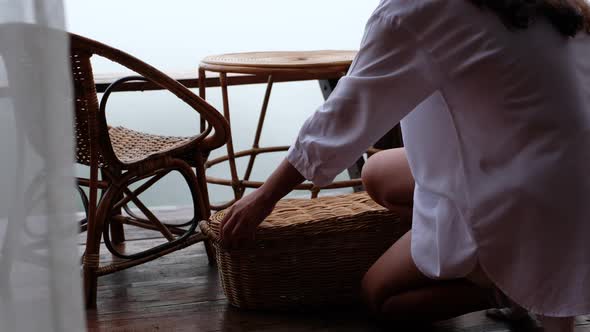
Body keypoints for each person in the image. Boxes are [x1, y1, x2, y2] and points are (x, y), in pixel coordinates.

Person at [219, 0, 590, 330]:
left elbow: (342, 116)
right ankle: (482, 265)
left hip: (523, 202)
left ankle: (505, 287)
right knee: (375, 173)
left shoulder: (415, 11)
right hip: (567, 182)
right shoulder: (554, 4)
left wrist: (263, 199)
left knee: (380, 297)